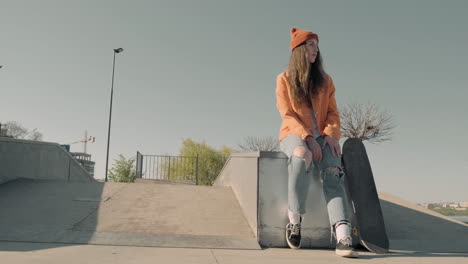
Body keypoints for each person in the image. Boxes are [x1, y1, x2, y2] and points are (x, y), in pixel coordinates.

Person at [275, 27, 358, 258]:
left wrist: (331, 135)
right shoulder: (284, 79)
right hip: (293, 133)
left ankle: (342, 234)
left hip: (323, 136)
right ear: (299, 50)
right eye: (311, 44)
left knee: (333, 169)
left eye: (317, 45)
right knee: (302, 155)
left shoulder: (326, 81)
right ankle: (294, 218)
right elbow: (287, 114)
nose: (316, 49)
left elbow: (333, 113)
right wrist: (307, 138)